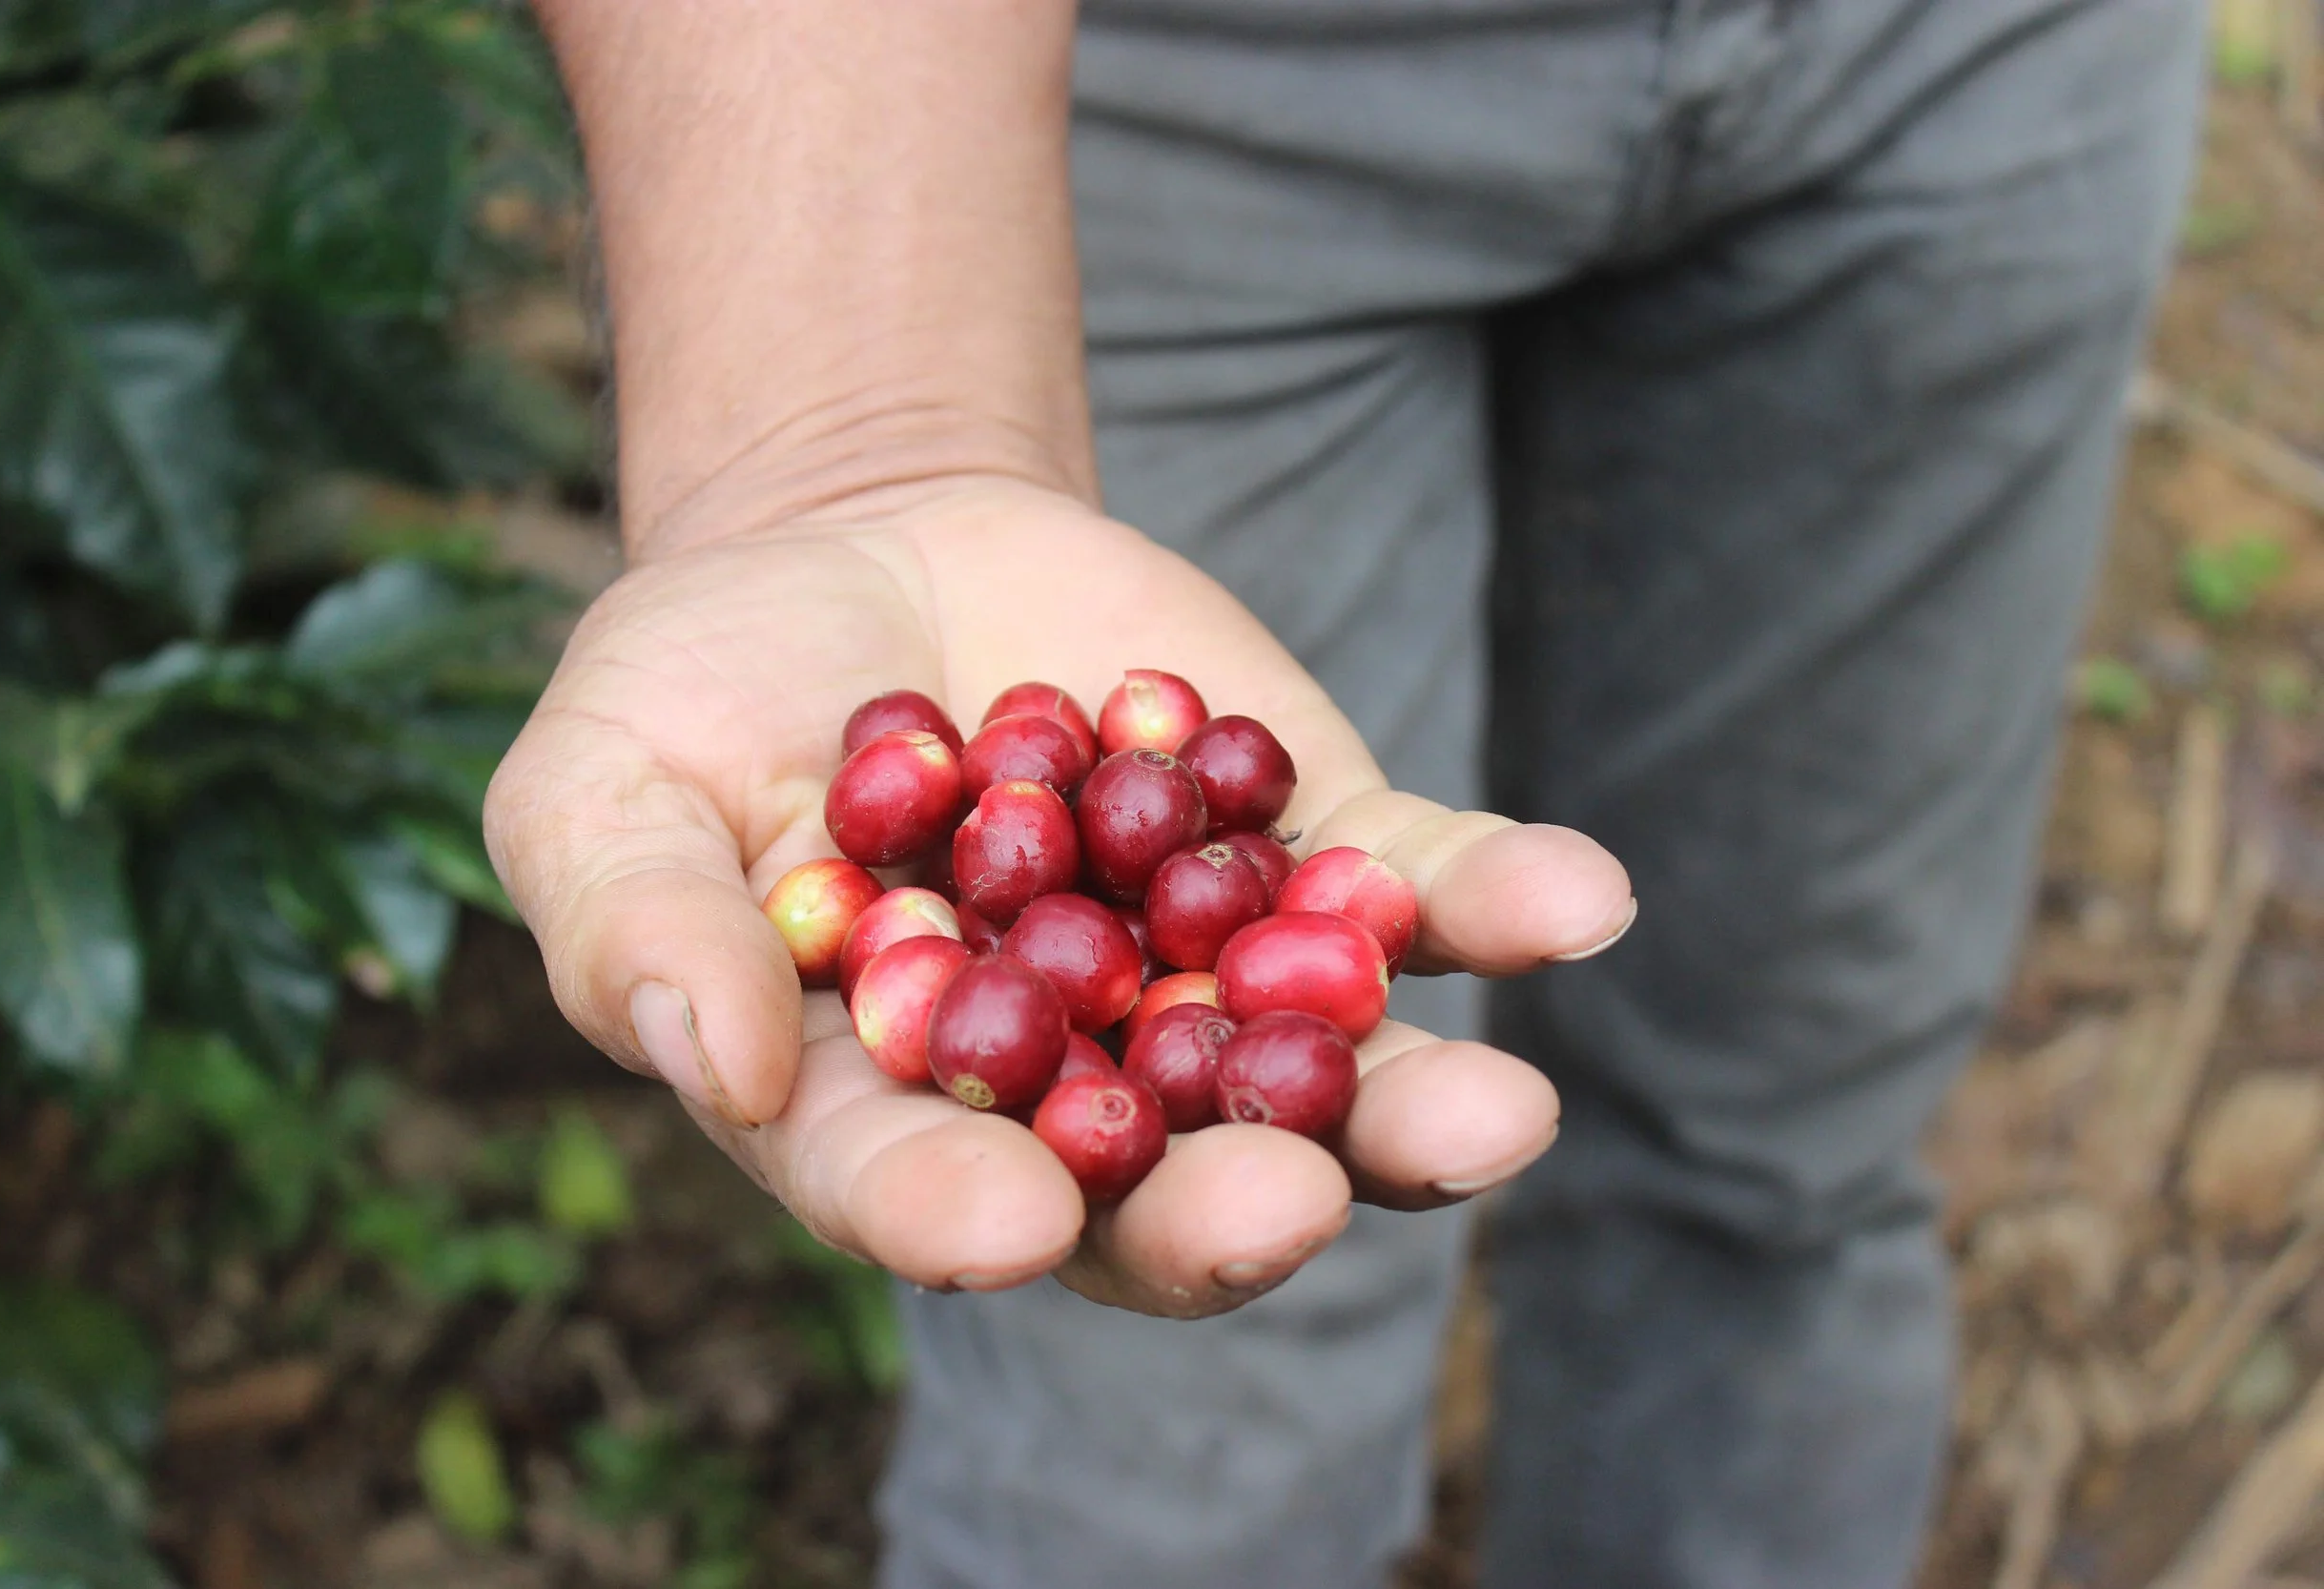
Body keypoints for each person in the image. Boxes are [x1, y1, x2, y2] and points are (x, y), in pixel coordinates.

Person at [490, 3, 2205, 1584]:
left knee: (1781, 1157)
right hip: (1147, 86)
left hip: (1969, 55)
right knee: (1186, 1396)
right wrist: (853, 430)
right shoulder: (1084, 890)